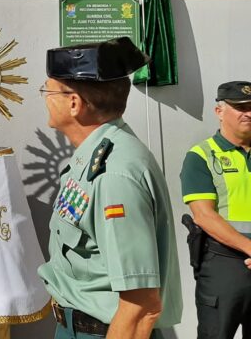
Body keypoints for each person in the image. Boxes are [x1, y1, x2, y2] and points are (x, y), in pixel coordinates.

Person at [36, 37, 182, 339]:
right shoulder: (94, 156)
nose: (45, 98)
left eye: (48, 91)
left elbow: (141, 305)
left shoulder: (113, 174)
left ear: (74, 103)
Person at [180, 81, 251, 338]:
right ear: (219, 111)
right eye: (240, 107)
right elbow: (204, 216)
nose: (249, 113)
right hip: (224, 265)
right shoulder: (201, 156)